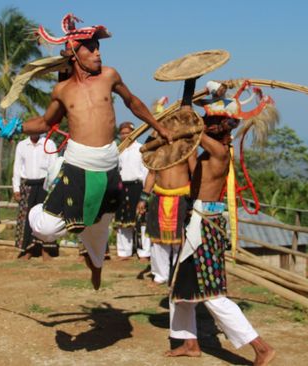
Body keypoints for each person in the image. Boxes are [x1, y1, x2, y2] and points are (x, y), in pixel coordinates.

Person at [0, 14, 172, 290]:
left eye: (98, 47)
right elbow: (45, 123)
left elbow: (133, 102)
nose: (97, 52)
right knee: (45, 229)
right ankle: (41, 211)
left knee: (100, 226)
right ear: (74, 55)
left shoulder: (110, 75)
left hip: (108, 163)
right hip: (78, 164)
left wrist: (158, 126)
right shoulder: (62, 90)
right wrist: (16, 127)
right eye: (90, 47)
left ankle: (96, 264)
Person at [166, 118, 275, 365]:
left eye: (211, 124)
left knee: (211, 294)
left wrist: (185, 120)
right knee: (180, 291)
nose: (206, 126)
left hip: (205, 225)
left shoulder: (219, 151)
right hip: (197, 219)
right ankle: (190, 343)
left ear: (223, 129)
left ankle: (261, 347)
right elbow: (191, 153)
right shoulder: (207, 152)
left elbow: (191, 132)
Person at [137, 149, 195, 284]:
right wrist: (143, 198)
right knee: (157, 241)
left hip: (182, 199)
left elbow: (195, 173)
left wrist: (194, 198)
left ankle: (178, 275)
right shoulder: (157, 150)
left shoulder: (188, 149)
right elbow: (151, 174)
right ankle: (160, 276)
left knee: (180, 241)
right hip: (159, 198)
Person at [12, 133, 58, 260]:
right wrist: (16, 188)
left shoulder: (49, 143)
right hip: (27, 185)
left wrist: (53, 187)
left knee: (47, 217)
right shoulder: (22, 145)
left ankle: (46, 250)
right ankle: (28, 249)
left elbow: (54, 166)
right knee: (26, 218)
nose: (34, 132)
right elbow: (17, 167)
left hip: (45, 184)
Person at [114, 122, 150, 260]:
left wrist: (146, 190)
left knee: (141, 220)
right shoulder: (118, 150)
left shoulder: (141, 149)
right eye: (122, 133)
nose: (125, 135)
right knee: (123, 220)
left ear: (134, 133)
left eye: (127, 132)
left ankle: (144, 253)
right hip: (122, 187)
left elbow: (146, 171)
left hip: (138, 186)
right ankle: (124, 252)